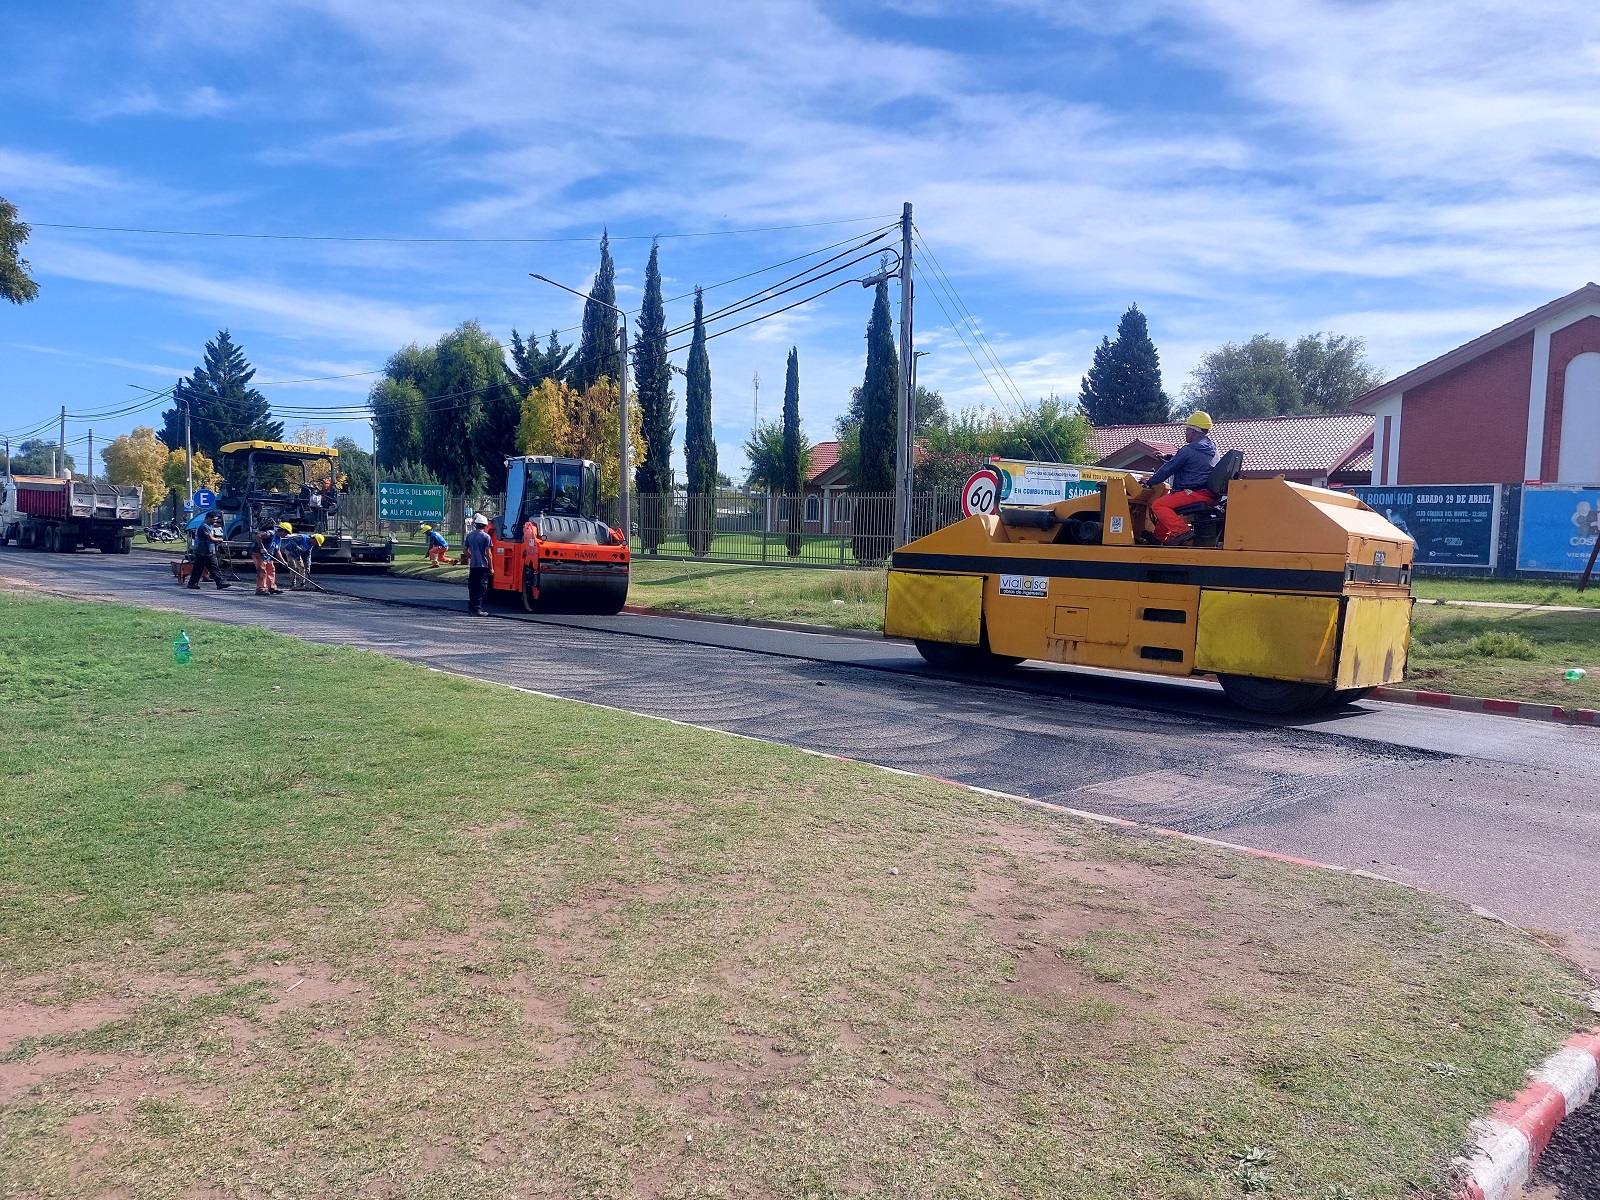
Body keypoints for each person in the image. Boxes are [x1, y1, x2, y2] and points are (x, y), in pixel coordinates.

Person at [1136, 411, 1221, 544]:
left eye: (1187, 430)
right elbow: (1187, 460)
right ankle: (1157, 539)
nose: (1185, 433)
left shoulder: (1189, 450)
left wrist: (1150, 482)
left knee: (1159, 505)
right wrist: (1167, 457)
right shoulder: (1212, 449)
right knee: (1170, 508)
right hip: (1210, 495)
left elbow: (1168, 469)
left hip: (1195, 493)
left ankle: (1182, 531)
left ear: (1194, 431)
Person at [187, 513, 231, 590]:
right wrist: (220, 540)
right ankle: (192, 583)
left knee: (213, 567)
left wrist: (222, 516)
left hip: (209, 551)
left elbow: (222, 525)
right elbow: (210, 538)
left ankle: (220, 583)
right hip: (203, 551)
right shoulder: (204, 527)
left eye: (216, 520)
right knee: (198, 568)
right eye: (214, 519)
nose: (215, 521)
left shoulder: (210, 525)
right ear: (208, 518)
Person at [464, 513, 493, 616]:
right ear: (485, 526)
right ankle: (477, 610)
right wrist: (491, 568)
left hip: (473, 566)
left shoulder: (469, 535)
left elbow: (465, 551)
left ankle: (471, 609)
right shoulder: (486, 537)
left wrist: (472, 557)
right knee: (481, 588)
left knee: (472, 587)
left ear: (476, 524)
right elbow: (488, 553)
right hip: (482, 566)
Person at [251, 524, 282, 595]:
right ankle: (260, 589)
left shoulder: (279, 538)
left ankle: (272, 587)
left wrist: (283, 561)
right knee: (262, 570)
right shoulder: (270, 533)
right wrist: (262, 547)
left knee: (271, 570)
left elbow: (277, 550)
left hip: (268, 555)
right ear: (282, 531)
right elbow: (258, 536)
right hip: (258, 552)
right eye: (286, 533)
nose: (286, 535)